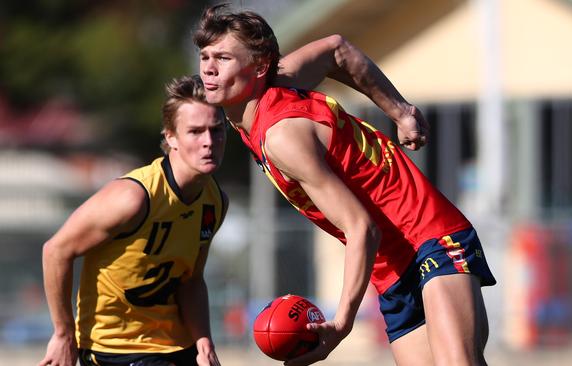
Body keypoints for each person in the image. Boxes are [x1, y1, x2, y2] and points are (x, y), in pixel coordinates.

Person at [193, 5, 497, 366]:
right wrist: (399, 111)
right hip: (391, 269)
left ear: (259, 67)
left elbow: (361, 228)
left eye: (224, 57)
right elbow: (337, 50)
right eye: (205, 56)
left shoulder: (281, 135)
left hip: (429, 235)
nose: (209, 68)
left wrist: (342, 321)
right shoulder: (273, 88)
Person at [39, 75, 228, 366]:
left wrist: (204, 342)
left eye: (216, 130)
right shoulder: (134, 197)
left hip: (175, 346)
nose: (208, 142)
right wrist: (63, 335)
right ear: (171, 138)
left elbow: (190, 281)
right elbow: (56, 251)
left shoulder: (215, 201)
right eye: (195, 131)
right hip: (115, 349)